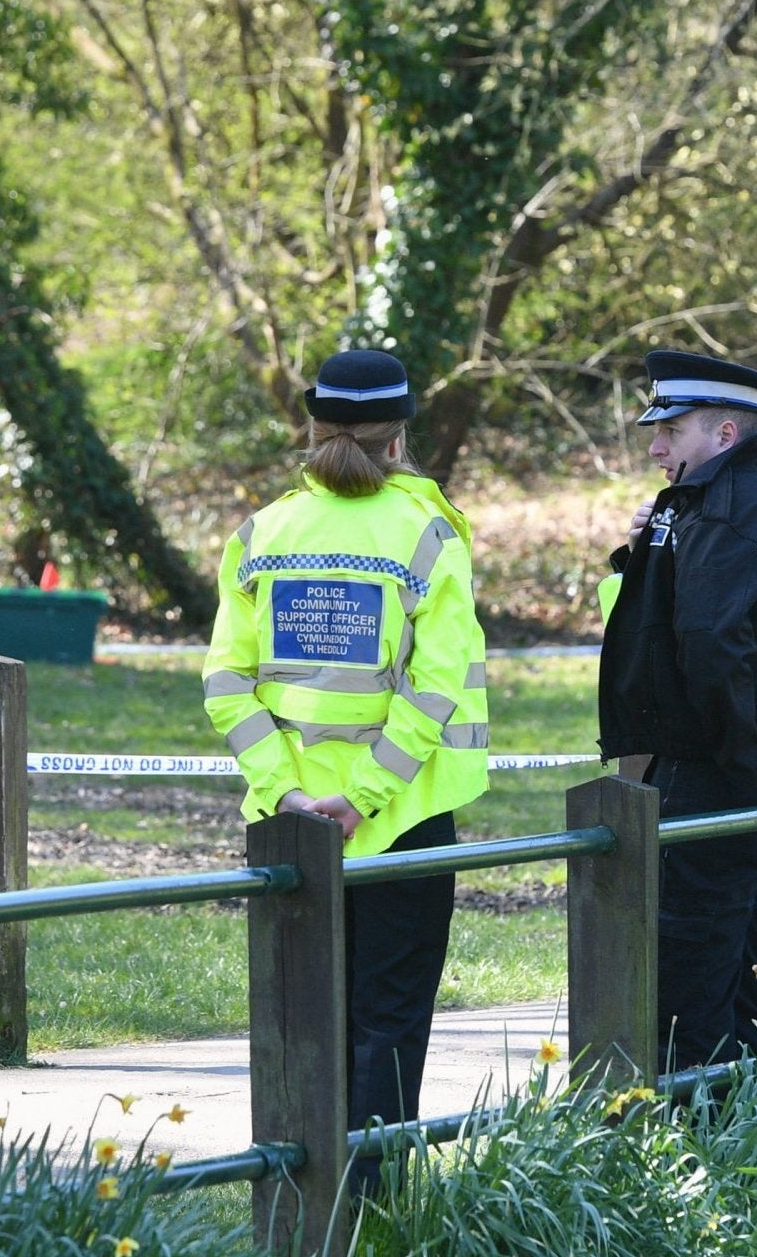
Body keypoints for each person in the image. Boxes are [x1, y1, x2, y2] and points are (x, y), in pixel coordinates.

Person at [202, 349, 489, 1193]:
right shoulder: (429, 532)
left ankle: (293, 1201)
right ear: (399, 439)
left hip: (287, 826)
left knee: (299, 1015)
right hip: (399, 823)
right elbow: (435, 693)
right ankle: (367, 1207)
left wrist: (285, 792)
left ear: (314, 429)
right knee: (387, 1019)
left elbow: (227, 683)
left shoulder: (261, 533)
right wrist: (361, 797)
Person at [597, 349, 757, 1072]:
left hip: (728, 771)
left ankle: (703, 1168)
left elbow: (710, 642)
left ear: (725, 435)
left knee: (687, 996)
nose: (653, 447)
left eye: (669, 432)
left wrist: (751, 767)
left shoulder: (727, 515)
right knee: (745, 982)